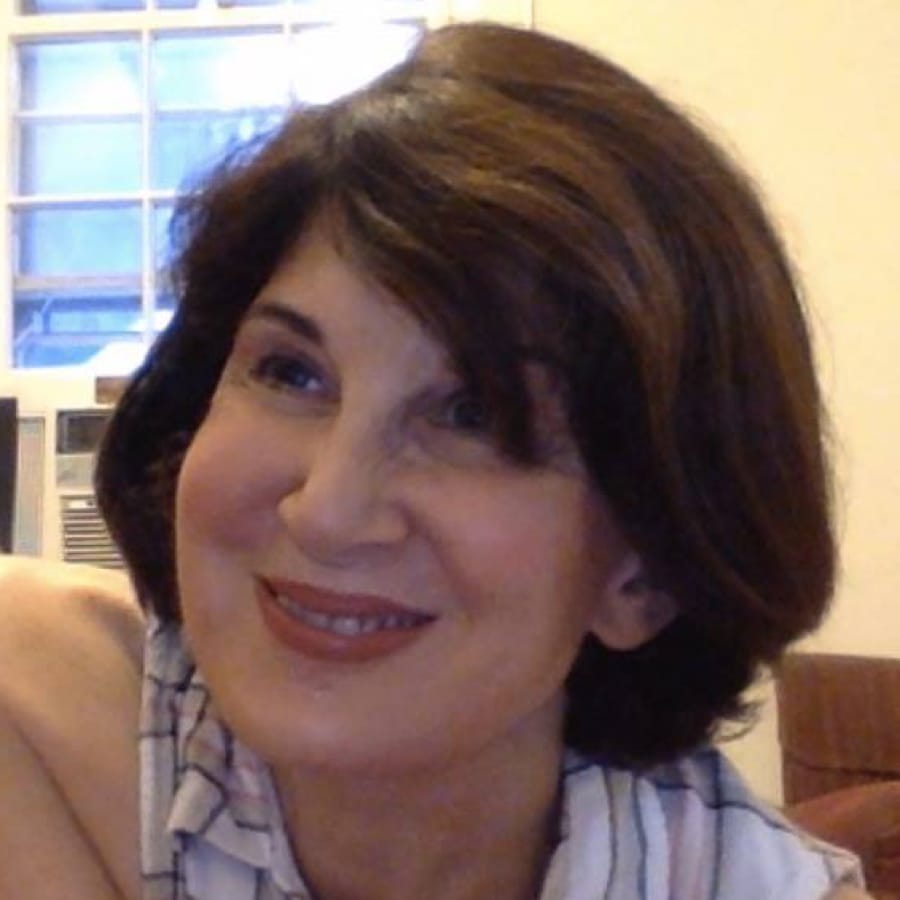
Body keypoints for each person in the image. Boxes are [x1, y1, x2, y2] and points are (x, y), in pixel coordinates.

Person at [0, 21, 872, 900]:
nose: (326, 510)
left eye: (474, 414)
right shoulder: (30, 722)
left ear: (645, 573)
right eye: (291, 371)